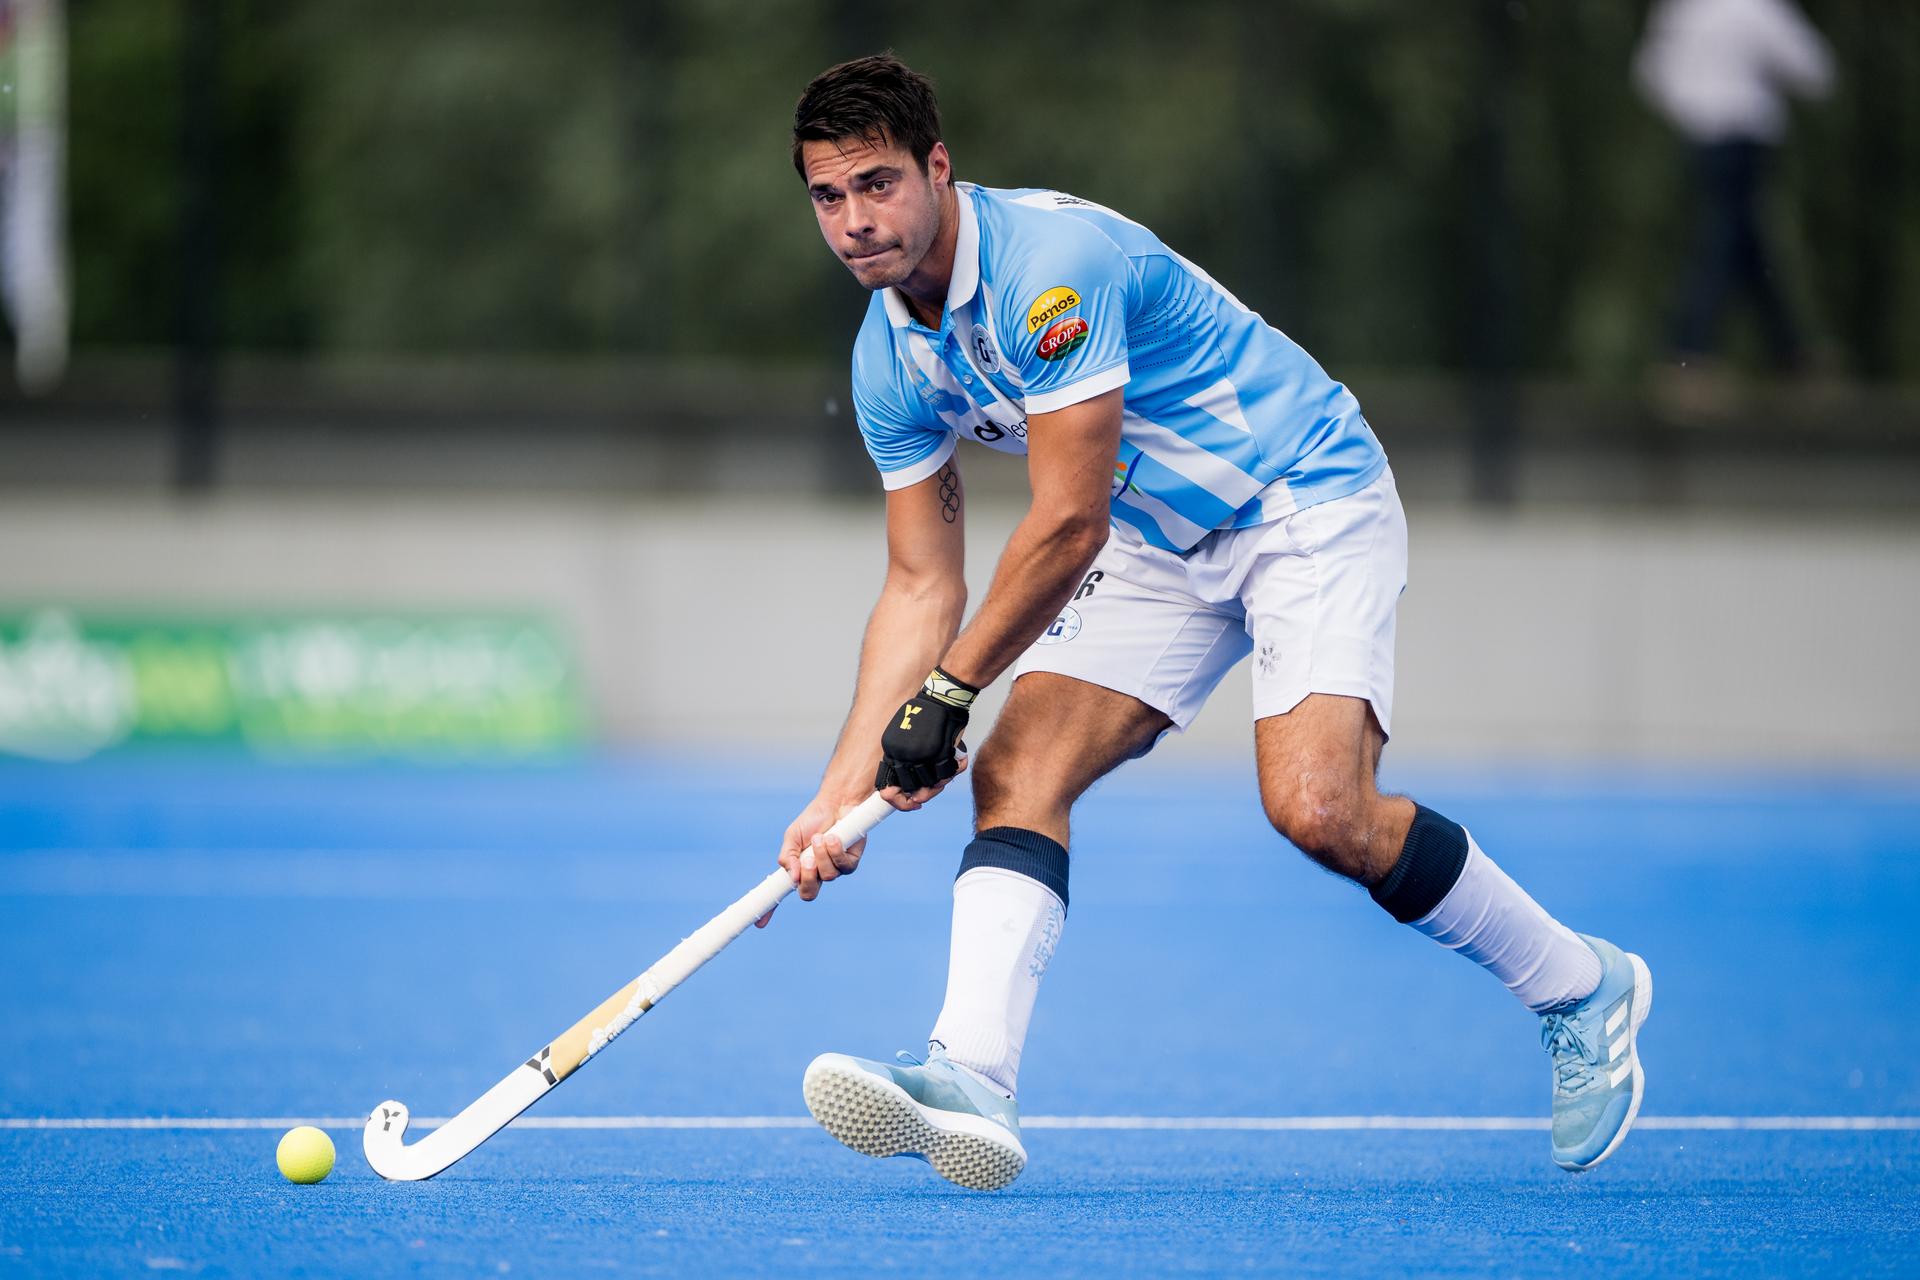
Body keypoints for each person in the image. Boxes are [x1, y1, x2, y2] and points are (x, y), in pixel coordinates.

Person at [767, 54, 1650, 1190]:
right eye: (827, 197)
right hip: (1161, 540)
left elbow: (1067, 520)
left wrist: (949, 691)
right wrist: (836, 794)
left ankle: (1580, 984)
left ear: (940, 168)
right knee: (1018, 767)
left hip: (1299, 492)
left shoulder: (1050, 271)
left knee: (1322, 809)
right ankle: (970, 1071)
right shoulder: (889, 354)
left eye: (878, 183)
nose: (853, 222)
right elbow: (917, 587)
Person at [1634, 0, 1833, 375]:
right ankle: (1689, 348)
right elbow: (1814, 71)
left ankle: (1792, 353)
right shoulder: (1756, 8)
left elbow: (1650, 74)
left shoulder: (1682, 10)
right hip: (1747, 138)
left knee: (1741, 238)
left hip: (1703, 142)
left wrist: (1694, 110)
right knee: (1726, 236)